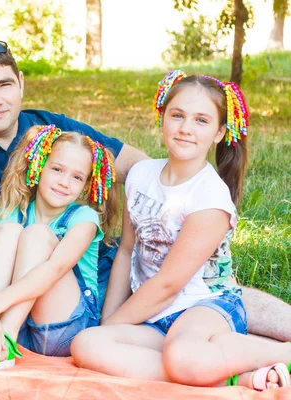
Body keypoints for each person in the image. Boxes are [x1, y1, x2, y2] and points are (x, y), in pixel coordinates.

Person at [0, 40, 291, 343]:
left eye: (4, 84)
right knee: (187, 310)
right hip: (44, 292)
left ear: (21, 83)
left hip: (105, 275)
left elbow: (137, 167)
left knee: (209, 292)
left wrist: (190, 211)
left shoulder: (52, 128)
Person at [70, 71, 291, 391]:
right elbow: (128, 251)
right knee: (88, 344)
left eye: (201, 120)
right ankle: (228, 374)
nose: (186, 128)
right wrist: (108, 323)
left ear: (219, 132)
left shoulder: (209, 196)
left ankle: (283, 352)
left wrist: (119, 324)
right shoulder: (141, 175)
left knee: (184, 356)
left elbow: (169, 284)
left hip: (205, 306)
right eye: (177, 116)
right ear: (162, 119)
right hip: (155, 316)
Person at [0, 125, 118, 370]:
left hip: (61, 329)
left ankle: (2, 341)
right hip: (18, 327)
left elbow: (54, 269)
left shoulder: (83, 219)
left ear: (86, 185)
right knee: (8, 231)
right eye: (57, 169)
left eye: (77, 177)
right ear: (39, 166)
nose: (64, 182)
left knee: (37, 234)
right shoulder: (13, 211)